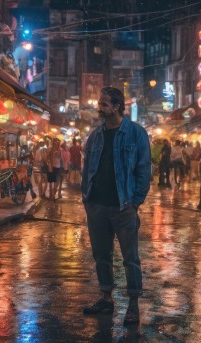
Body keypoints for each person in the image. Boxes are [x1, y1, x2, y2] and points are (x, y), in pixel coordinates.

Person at [81, 86, 151, 325]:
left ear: (118, 106)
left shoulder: (135, 134)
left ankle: (133, 306)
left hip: (123, 206)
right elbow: (87, 167)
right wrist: (86, 199)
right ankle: (106, 298)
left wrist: (135, 202)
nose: (100, 108)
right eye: (100, 104)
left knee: (130, 258)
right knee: (101, 255)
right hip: (97, 205)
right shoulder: (96, 135)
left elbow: (144, 170)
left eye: (104, 104)